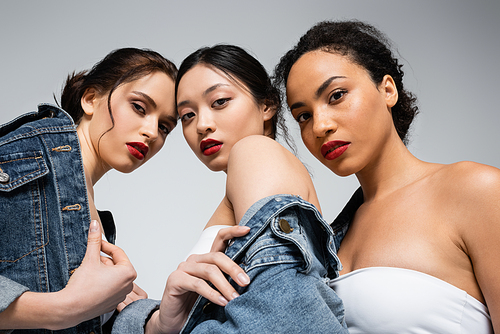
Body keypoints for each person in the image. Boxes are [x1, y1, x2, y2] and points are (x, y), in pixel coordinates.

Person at [273, 20, 499, 333]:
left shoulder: (476, 190)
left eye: (336, 95)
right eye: (304, 116)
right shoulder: (329, 240)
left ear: (387, 89)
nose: (319, 126)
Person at [113, 45, 348, 334]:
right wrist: (151, 320)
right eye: (187, 115)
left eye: (220, 101)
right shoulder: (242, 185)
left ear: (267, 106)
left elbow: (283, 316)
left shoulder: (255, 153)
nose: (202, 125)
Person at [0, 47, 178, 333]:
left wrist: (140, 318)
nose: (152, 132)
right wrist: (63, 309)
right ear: (91, 99)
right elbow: (67, 310)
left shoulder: (89, 212)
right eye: (139, 107)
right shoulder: (20, 161)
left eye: (166, 126)